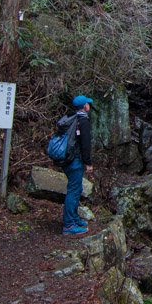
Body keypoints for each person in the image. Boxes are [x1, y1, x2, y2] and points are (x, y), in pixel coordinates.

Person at [62, 94, 94, 235]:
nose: (89, 106)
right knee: (74, 191)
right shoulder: (83, 121)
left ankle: (74, 218)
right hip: (75, 160)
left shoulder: (71, 118)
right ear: (85, 106)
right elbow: (85, 144)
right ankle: (69, 225)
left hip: (67, 159)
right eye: (88, 103)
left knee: (76, 188)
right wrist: (88, 163)